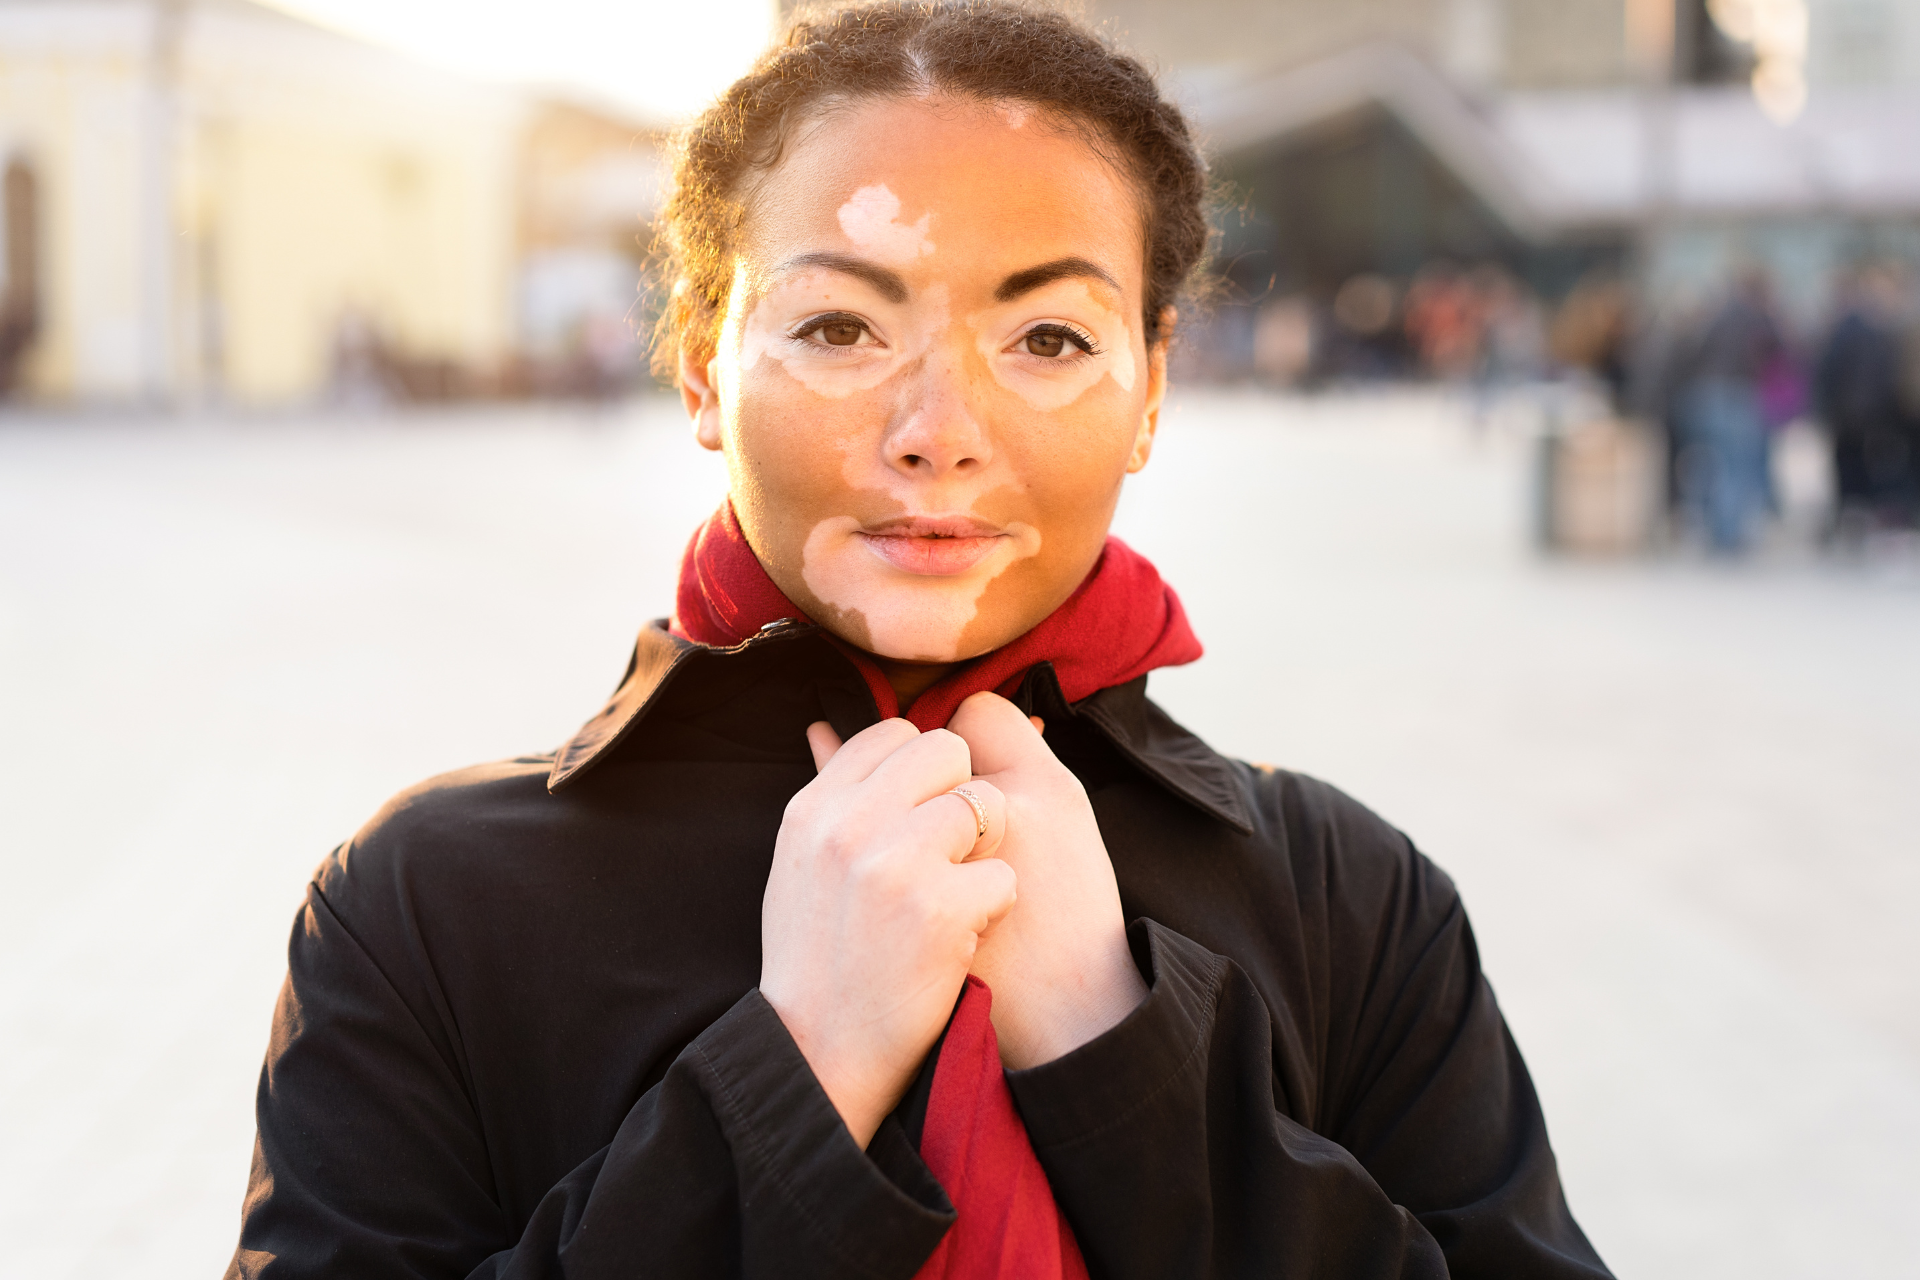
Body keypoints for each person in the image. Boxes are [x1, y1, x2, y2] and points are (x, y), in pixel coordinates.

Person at [226, 4, 1612, 1277]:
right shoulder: (428, 905)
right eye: (838, 325)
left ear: (1151, 389)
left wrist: (1113, 1042)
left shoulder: (1347, 903)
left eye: (1051, 339)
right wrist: (798, 1075)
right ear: (702, 364)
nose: (937, 432)